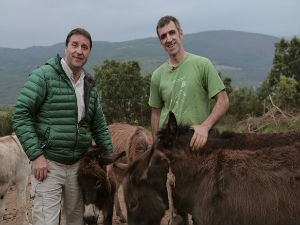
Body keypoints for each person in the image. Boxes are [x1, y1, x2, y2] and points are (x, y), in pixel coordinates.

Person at [12, 28, 114, 225]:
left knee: (76, 221)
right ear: (66, 47)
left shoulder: (89, 84)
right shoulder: (43, 76)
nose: (79, 51)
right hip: (48, 165)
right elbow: (20, 114)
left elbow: (99, 125)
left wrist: (108, 159)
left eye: (85, 47)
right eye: (74, 45)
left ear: (89, 53)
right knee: (46, 222)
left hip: (78, 168)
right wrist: (36, 156)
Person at [149, 16, 229, 150]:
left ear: (181, 34)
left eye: (172, 33)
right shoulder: (157, 75)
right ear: (161, 42)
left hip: (196, 143)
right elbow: (155, 112)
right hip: (169, 148)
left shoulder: (202, 64)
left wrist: (205, 127)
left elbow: (223, 100)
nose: (168, 39)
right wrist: (156, 145)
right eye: (163, 36)